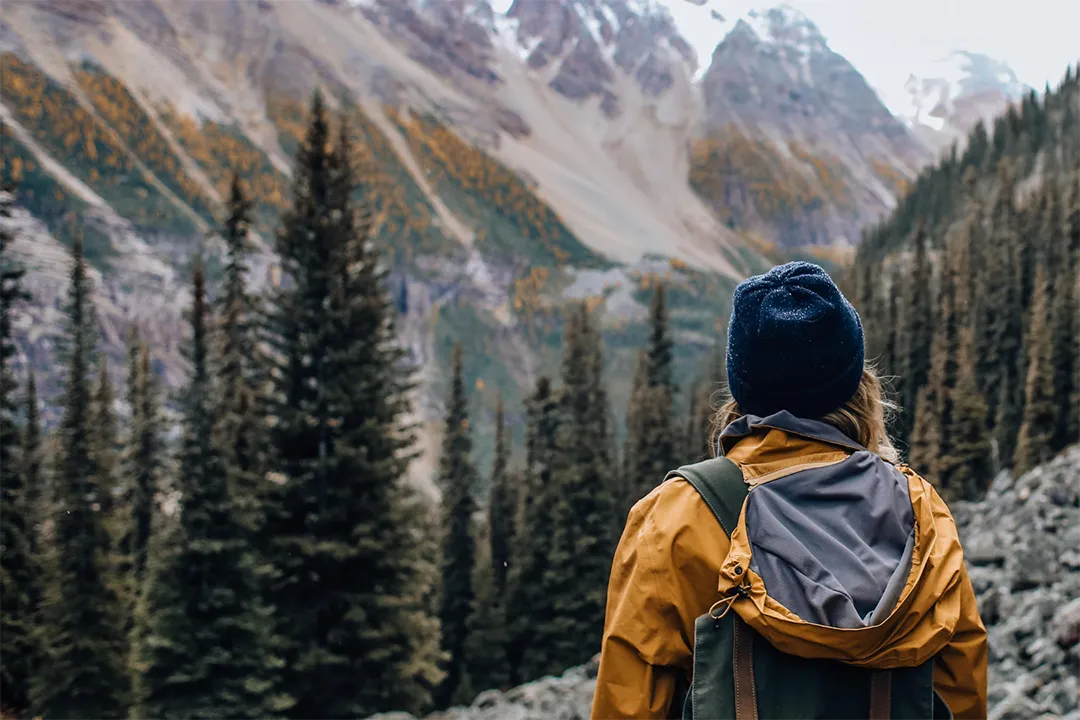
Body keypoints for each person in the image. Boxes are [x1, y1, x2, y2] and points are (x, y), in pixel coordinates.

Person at [592, 262, 987, 719]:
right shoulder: (921, 513)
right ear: (858, 385)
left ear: (741, 389)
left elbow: (630, 703)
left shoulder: (674, 518)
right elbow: (960, 694)